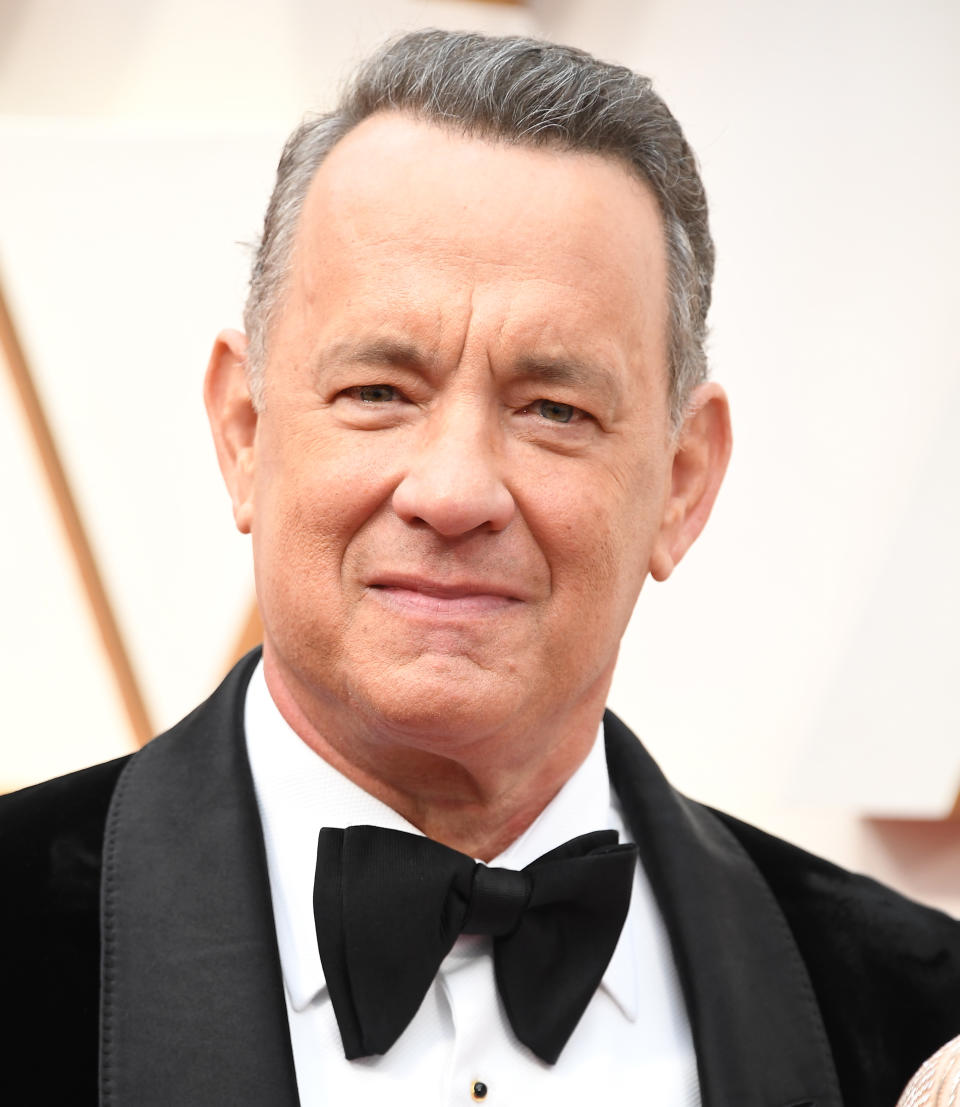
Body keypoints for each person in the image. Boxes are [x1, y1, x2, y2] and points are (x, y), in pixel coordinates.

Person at [2, 29, 958, 1107]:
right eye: (379, 390)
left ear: (683, 482)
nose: (453, 492)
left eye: (554, 409)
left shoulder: (921, 1019)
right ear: (243, 430)